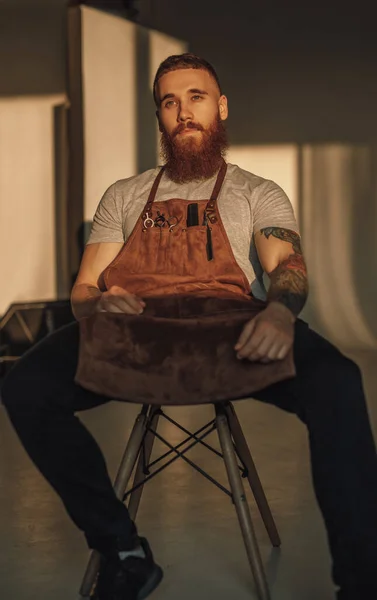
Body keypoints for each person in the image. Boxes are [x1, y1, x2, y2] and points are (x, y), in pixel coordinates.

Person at [1, 53, 377, 600]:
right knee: (24, 386)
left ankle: (363, 582)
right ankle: (122, 550)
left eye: (196, 97)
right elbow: (84, 288)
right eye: (170, 102)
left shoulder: (257, 191)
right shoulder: (125, 195)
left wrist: (277, 311)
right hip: (136, 331)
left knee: (338, 381)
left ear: (220, 107)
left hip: (230, 328)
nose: (184, 112)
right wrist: (98, 305)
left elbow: (286, 269)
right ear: (159, 117)